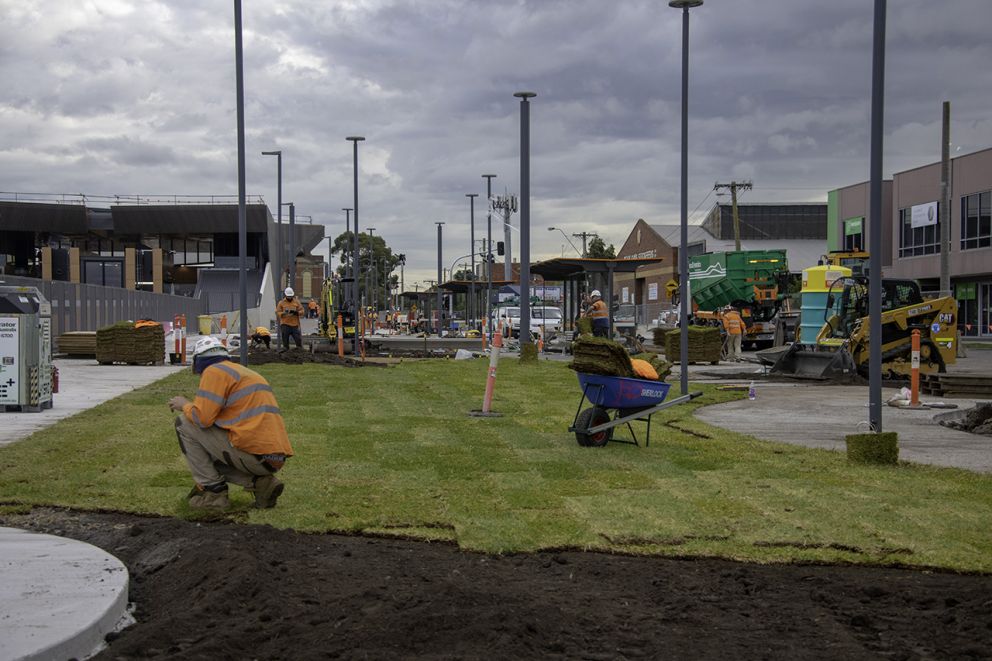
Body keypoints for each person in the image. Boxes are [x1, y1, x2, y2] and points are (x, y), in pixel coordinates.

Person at [169, 337, 293, 510]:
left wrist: (184, 405)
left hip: (254, 454)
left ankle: (214, 494)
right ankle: (261, 484)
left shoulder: (214, 371)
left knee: (184, 424)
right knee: (205, 457)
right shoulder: (242, 372)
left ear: (198, 360)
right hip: (272, 458)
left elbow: (201, 419)